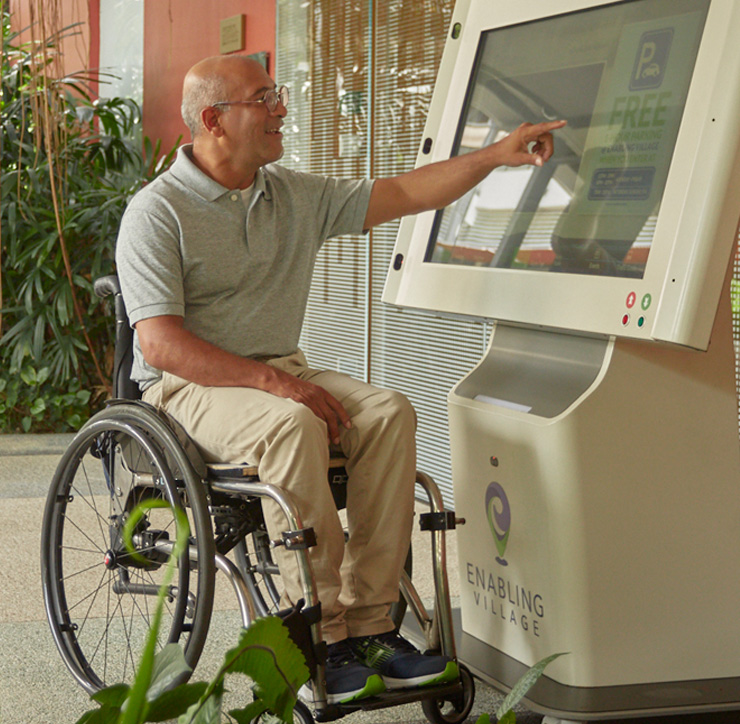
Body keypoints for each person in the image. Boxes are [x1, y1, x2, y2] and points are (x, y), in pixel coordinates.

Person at [116, 54, 564, 705]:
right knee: (294, 420)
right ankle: (318, 635)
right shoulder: (157, 213)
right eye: (263, 97)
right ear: (213, 119)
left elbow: (409, 192)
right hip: (188, 390)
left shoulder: (290, 195)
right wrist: (278, 386)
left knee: (386, 411)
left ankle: (370, 625)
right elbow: (161, 343)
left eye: (277, 94)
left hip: (277, 375)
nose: (281, 108)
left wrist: (496, 154)